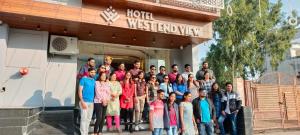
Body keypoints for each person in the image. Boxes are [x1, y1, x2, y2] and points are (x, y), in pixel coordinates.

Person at [78, 68, 96, 135]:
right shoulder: (83, 79)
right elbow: (79, 91)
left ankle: (86, 132)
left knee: (88, 119)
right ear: (88, 72)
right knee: (83, 118)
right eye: (91, 72)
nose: (93, 73)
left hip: (91, 102)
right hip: (84, 101)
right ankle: (83, 133)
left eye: (94, 72)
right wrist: (82, 101)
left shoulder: (94, 80)